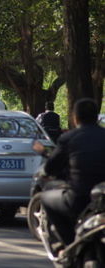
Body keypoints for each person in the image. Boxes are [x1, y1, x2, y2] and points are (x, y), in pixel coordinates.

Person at [38, 98, 105, 246]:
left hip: (79, 199)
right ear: (97, 117)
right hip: (102, 200)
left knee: (45, 198)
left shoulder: (68, 138)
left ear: (75, 118)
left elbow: (50, 168)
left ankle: (69, 244)